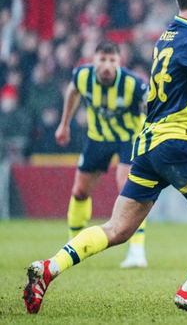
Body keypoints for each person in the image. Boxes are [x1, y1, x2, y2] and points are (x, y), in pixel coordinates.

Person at [23, 0, 187, 316]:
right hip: (177, 143)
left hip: (146, 146)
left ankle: (49, 268)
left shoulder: (165, 38)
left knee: (118, 228)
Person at [55, 41, 149, 269]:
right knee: (79, 192)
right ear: (94, 59)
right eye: (103, 60)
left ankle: (137, 250)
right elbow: (72, 92)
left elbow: (152, 107)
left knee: (127, 187)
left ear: (119, 62)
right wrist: (64, 124)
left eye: (112, 61)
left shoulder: (134, 84)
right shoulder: (82, 76)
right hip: (98, 137)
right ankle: (73, 242)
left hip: (130, 137)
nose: (107, 65)